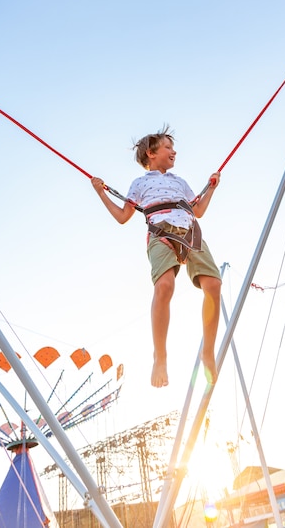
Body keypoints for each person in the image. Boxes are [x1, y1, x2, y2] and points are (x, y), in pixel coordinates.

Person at [91, 127, 222, 389]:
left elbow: (198, 211)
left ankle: (208, 350)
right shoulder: (139, 184)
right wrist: (100, 192)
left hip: (189, 231)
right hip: (160, 232)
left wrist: (211, 189)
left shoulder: (179, 181)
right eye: (167, 147)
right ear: (151, 154)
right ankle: (160, 355)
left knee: (214, 285)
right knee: (164, 287)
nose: (173, 151)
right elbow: (123, 217)